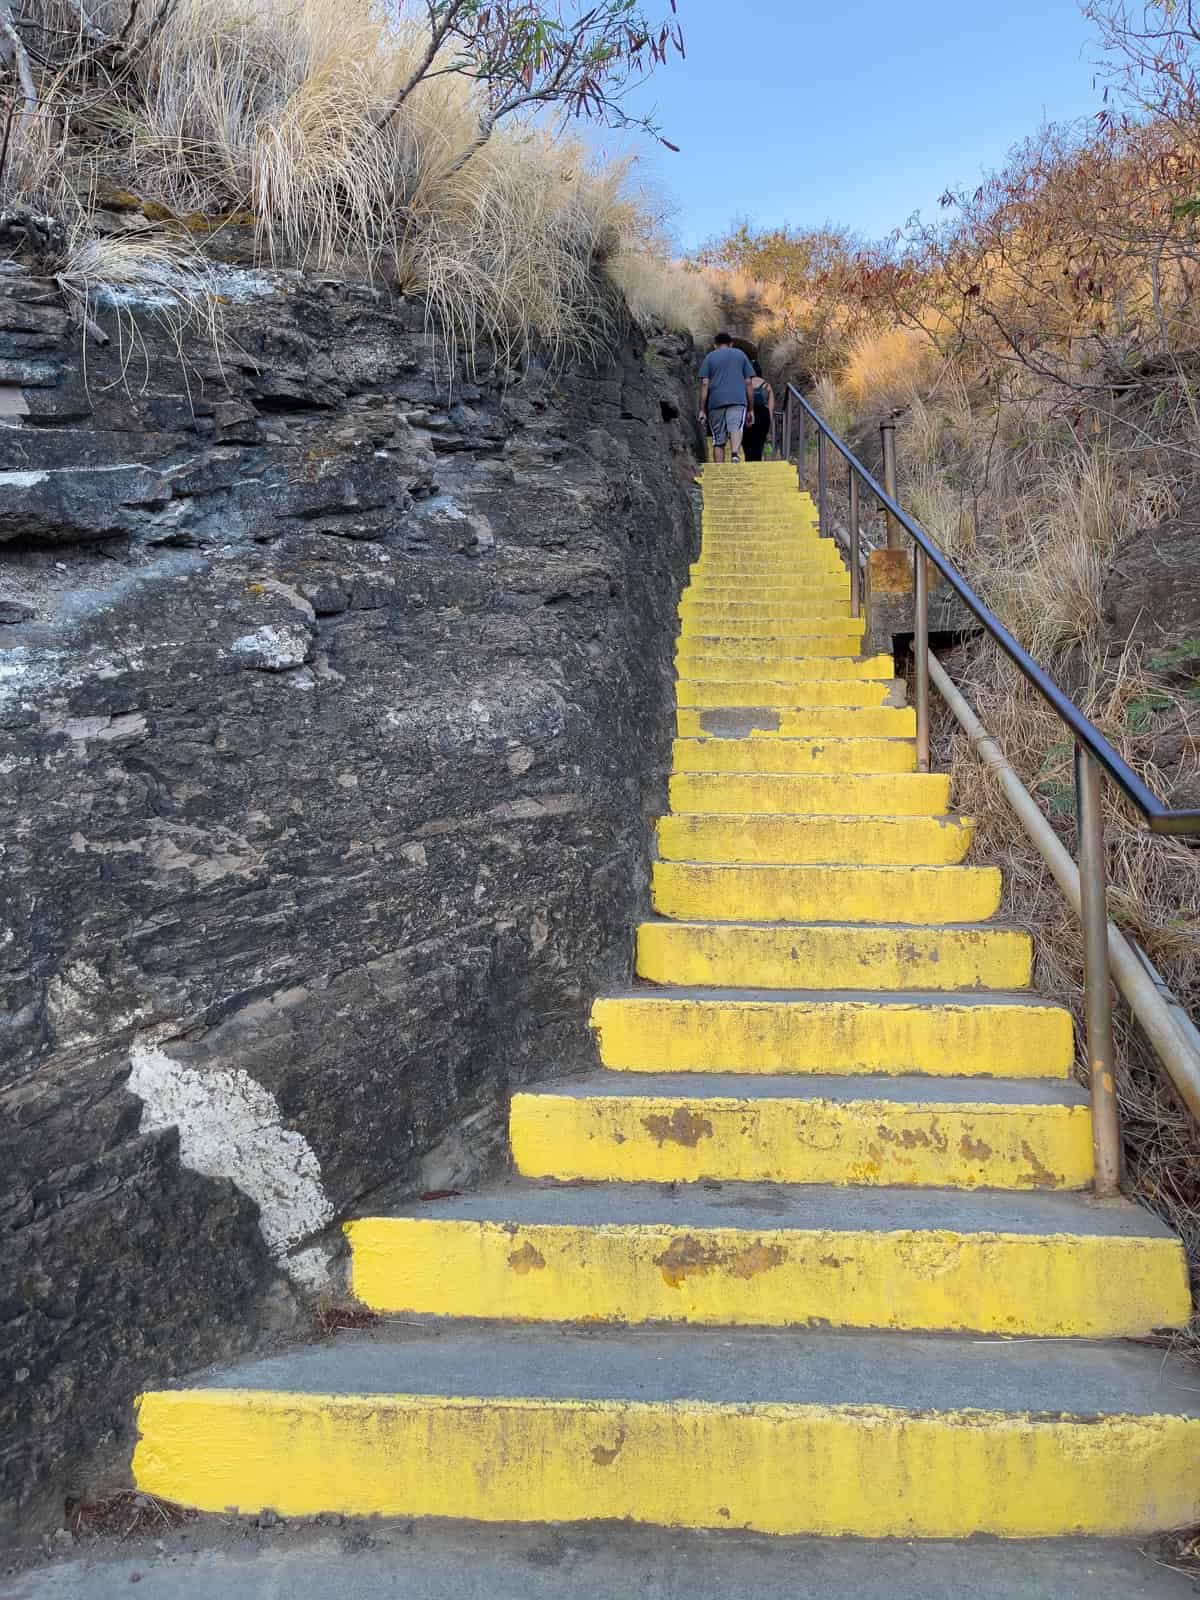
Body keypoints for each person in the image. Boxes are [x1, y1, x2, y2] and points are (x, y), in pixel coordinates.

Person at [698, 332, 755, 464]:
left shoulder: (709, 357)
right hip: (738, 400)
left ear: (715, 345)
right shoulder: (740, 355)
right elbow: (748, 383)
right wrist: (751, 409)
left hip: (715, 402)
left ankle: (719, 469)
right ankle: (735, 454)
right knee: (735, 427)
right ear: (731, 344)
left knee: (718, 440)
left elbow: (705, 383)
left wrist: (702, 409)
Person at [742, 362, 775, 462]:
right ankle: (757, 463)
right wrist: (769, 421)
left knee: (747, 442)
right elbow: (771, 406)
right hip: (763, 415)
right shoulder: (767, 385)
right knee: (759, 443)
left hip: (748, 414)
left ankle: (749, 461)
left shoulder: (744, 383)